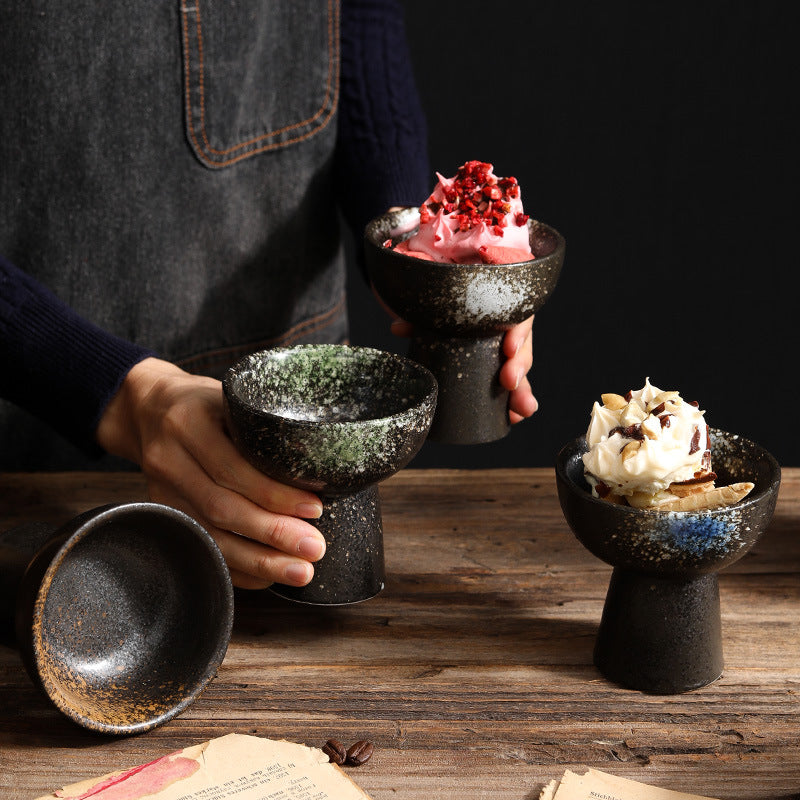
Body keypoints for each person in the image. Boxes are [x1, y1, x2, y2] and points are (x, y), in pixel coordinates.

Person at [0, 0, 537, 590]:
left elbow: (360, 17)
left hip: (293, 395)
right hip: (33, 443)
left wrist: (411, 251)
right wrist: (130, 397)